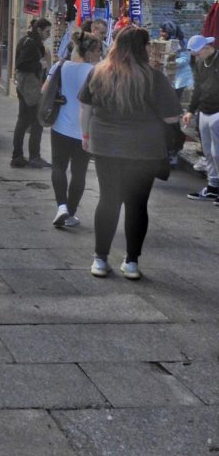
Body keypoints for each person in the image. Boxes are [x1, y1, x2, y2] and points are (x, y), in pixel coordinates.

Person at [79, 25, 181, 279]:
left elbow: (85, 106)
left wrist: (86, 136)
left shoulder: (98, 72)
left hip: (105, 146)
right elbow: (171, 118)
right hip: (143, 150)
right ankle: (132, 262)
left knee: (108, 200)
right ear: (143, 48)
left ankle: (100, 260)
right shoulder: (154, 78)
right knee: (137, 205)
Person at [45, 31, 102, 229]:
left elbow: (45, 90)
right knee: (79, 173)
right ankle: (71, 212)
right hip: (84, 130)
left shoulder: (60, 66)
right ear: (92, 51)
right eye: (99, 50)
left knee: (58, 166)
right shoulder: (96, 71)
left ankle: (61, 207)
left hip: (60, 126)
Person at [12, 17, 52, 168]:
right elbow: (21, 64)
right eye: (47, 31)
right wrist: (38, 65)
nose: (49, 34)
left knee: (23, 121)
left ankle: (17, 156)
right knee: (36, 121)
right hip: (30, 87)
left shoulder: (26, 41)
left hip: (24, 86)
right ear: (39, 30)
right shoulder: (31, 44)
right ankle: (34, 156)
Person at [183, 35, 219, 201]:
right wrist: (190, 110)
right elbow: (197, 88)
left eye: (198, 53)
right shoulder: (199, 63)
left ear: (206, 47)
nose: (196, 57)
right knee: (208, 153)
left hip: (217, 111)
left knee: (217, 152)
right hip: (204, 111)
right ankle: (213, 187)